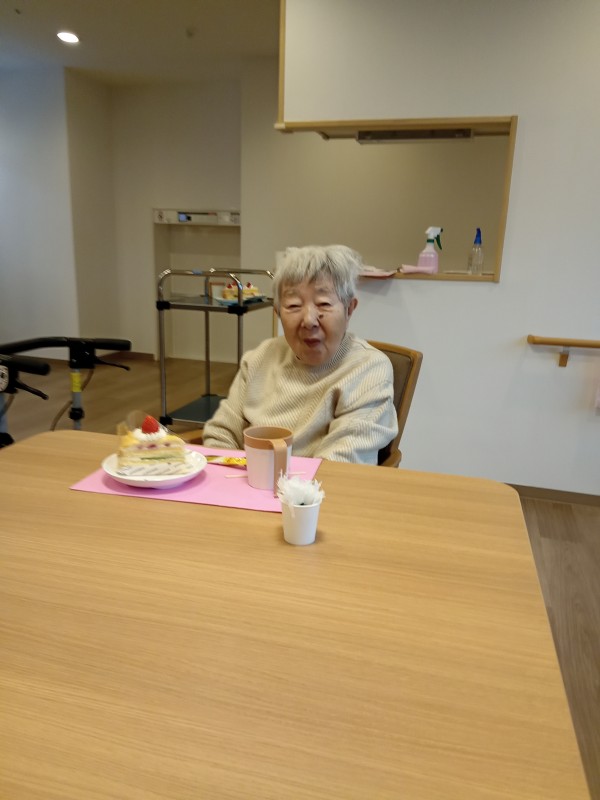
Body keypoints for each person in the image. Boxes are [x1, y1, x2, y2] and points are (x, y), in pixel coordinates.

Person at [202, 245, 398, 464]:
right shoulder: (259, 358)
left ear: (349, 309)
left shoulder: (369, 369)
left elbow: (343, 460)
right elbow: (221, 434)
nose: (309, 320)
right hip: (246, 481)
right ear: (278, 312)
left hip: (321, 485)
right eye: (294, 305)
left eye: (323, 304)